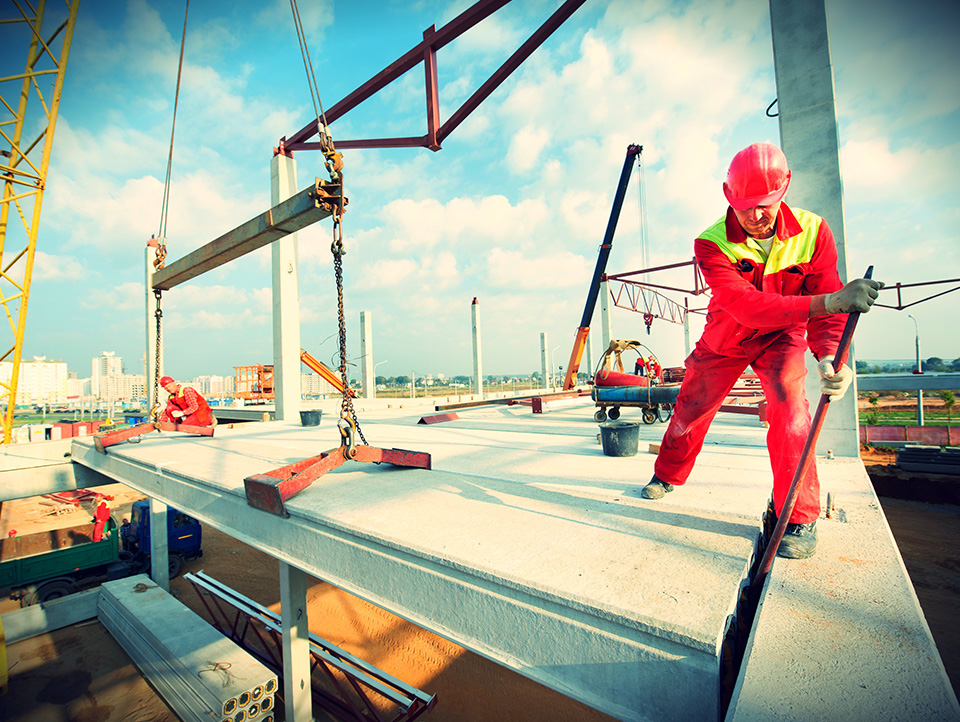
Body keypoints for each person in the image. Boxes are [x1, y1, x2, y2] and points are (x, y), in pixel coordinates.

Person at [639, 142, 883, 559]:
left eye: (765, 205)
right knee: (690, 409)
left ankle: (798, 517)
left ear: (784, 189)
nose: (755, 216)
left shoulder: (813, 232)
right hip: (726, 337)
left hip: (783, 337)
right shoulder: (711, 243)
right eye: (745, 207)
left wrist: (829, 357)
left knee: (792, 415)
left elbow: (827, 310)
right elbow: (747, 306)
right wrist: (829, 302)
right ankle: (667, 474)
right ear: (728, 197)